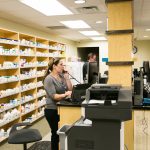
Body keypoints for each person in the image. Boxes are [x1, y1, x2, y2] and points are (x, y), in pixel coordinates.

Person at [43, 57, 72, 150]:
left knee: (62, 133)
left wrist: (67, 78)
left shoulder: (61, 76)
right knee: (55, 133)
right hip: (52, 110)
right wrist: (65, 94)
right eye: (61, 64)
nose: (63, 66)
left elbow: (70, 89)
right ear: (54, 66)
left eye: (63, 64)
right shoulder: (48, 79)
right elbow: (53, 96)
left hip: (61, 108)